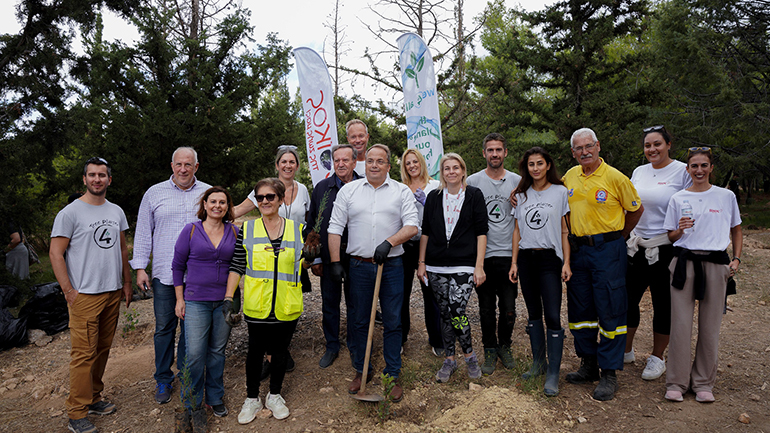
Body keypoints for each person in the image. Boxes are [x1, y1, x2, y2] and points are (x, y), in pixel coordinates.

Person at [327, 144, 418, 402]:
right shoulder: (349, 191)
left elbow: (412, 226)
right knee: (359, 320)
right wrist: (335, 261)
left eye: (380, 161)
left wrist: (389, 242)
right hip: (359, 266)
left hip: (392, 266)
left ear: (388, 166)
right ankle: (361, 370)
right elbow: (335, 228)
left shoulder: (401, 191)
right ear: (363, 164)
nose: (374, 165)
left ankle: (392, 374)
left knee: (392, 320)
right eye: (370, 161)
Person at [50, 157, 132, 433]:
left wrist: (126, 283)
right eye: (92, 175)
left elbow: (121, 250)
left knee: (102, 349)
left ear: (110, 179)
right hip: (84, 294)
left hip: (111, 292)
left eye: (102, 175)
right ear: (84, 179)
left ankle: (95, 397)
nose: (97, 179)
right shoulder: (70, 213)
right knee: (83, 354)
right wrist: (69, 291)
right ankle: (76, 413)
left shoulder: (116, 211)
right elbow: (55, 253)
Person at [562, 128, 644, 401]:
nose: (584, 152)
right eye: (578, 149)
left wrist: (618, 237)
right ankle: (588, 364)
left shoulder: (615, 177)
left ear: (598, 146)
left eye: (588, 146)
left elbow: (635, 209)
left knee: (611, 308)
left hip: (609, 251)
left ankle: (609, 371)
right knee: (581, 308)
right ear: (573, 153)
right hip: (578, 251)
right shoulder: (570, 177)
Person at [226, 178, 315, 424]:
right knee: (254, 352)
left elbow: (302, 265)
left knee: (279, 352)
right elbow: (237, 265)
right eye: (260, 197)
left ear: (280, 199)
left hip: (287, 303)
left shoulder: (297, 229)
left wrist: (309, 258)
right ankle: (252, 398)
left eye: (270, 197)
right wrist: (227, 299)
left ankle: (274, 395)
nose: (264, 201)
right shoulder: (248, 229)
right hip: (258, 303)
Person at [131, 147, 211, 404]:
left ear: (196, 167)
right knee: (165, 327)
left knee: (192, 329)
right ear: (172, 165)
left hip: (198, 276)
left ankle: (187, 375)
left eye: (188, 164)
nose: (183, 169)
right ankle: (163, 379)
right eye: (179, 164)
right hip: (165, 274)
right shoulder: (154, 193)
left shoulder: (207, 193)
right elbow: (144, 231)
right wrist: (140, 267)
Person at [663, 147, 742, 403]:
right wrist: (680, 229)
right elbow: (670, 236)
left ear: (711, 168)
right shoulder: (678, 198)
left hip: (715, 263)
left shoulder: (725, 196)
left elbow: (736, 229)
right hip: (684, 262)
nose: (699, 170)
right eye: (694, 166)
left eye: (703, 165)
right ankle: (676, 381)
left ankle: (703, 383)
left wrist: (737, 258)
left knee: (710, 327)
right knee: (681, 325)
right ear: (687, 169)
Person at [233, 145, 308, 377]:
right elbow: (236, 211)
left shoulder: (303, 190)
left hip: (291, 258)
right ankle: (269, 356)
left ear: (297, 165)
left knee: (286, 307)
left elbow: (308, 219)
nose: (287, 165)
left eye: (292, 162)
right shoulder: (265, 189)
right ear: (277, 165)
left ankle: (281, 349)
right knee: (267, 304)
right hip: (265, 257)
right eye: (283, 162)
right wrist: (216, 219)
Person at [624, 126, 691, 380]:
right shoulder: (639, 172)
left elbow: (692, 202)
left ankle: (656, 357)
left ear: (669, 144)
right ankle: (626, 350)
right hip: (637, 245)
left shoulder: (682, 171)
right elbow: (630, 204)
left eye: (657, 144)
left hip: (667, 246)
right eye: (647, 145)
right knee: (629, 299)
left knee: (663, 303)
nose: (652, 149)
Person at [417, 153, 487, 382]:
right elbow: (425, 231)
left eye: (456, 167)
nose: (451, 172)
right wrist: (422, 263)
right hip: (436, 265)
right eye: (446, 168)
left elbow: (481, 233)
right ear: (442, 173)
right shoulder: (434, 197)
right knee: (445, 314)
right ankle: (450, 360)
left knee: (457, 311)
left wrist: (479, 266)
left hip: (464, 265)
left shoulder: (474, 195)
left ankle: (469, 356)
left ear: (463, 170)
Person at [172, 186, 238, 424]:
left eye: (222, 202)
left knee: (217, 352)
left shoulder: (235, 232)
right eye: (213, 201)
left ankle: (215, 396)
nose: (217, 206)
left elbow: (240, 264)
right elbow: (177, 266)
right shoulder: (191, 231)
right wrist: (180, 299)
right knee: (195, 353)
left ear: (227, 207)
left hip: (225, 300)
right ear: (205, 205)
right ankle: (191, 402)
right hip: (196, 300)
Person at [508, 147, 571, 396]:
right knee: (533, 312)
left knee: (553, 315)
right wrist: (514, 262)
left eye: (539, 163)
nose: (535, 168)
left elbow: (565, 231)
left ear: (548, 165)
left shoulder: (560, 192)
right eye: (531, 164)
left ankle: (554, 372)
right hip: (526, 258)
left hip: (550, 259)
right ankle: (538, 364)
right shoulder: (521, 195)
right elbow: (516, 230)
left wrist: (566, 262)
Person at [466, 133, 521, 375]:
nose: (495, 154)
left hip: (509, 255)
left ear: (505, 152)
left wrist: (517, 260)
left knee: (509, 308)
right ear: (484, 153)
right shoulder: (473, 181)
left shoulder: (518, 181)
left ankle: (505, 346)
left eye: (499, 150)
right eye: (490, 150)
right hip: (483, 256)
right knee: (486, 308)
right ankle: (489, 348)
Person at [305, 144, 362, 368]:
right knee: (330, 303)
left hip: (357, 257)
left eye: (345, 160)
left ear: (354, 162)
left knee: (356, 303)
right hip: (329, 258)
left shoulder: (364, 186)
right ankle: (332, 345)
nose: (340, 164)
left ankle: (355, 344)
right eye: (336, 160)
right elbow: (311, 226)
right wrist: (316, 258)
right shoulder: (322, 188)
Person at [399, 149, 443, 356]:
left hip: (431, 245)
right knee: (401, 293)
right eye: (408, 163)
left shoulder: (435, 185)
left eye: (415, 162)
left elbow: (446, 213)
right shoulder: (399, 189)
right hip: (406, 246)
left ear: (422, 163)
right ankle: (400, 337)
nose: (412, 166)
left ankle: (437, 338)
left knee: (431, 293)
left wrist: (430, 203)